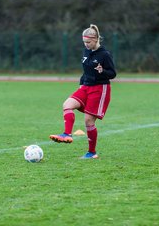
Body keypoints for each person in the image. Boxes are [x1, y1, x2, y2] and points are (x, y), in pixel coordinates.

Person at [49, 24, 117, 159]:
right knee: (67, 105)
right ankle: (66, 135)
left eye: (88, 42)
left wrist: (102, 71)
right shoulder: (86, 52)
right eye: (84, 42)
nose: (86, 44)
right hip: (85, 87)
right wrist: (81, 84)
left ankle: (92, 153)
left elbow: (113, 73)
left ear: (96, 39)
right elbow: (85, 71)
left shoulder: (104, 54)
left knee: (88, 122)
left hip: (99, 89)